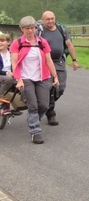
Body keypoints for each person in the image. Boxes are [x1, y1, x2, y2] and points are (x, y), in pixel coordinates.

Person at [9, 16, 59, 144]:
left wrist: (55, 76)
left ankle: (34, 120)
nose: (30, 31)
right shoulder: (17, 43)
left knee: (44, 105)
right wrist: (18, 79)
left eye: (32, 28)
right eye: (27, 28)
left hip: (42, 77)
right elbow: (14, 62)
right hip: (25, 78)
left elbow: (48, 60)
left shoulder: (42, 42)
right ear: (21, 29)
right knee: (33, 106)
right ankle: (35, 131)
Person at [36, 11, 79, 126]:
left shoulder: (61, 29)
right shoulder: (39, 31)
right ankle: (50, 113)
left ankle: (45, 104)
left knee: (60, 88)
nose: (50, 21)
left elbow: (69, 44)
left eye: (52, 18)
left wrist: (74, 60)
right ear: (43, 19)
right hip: (45, 63)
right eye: (47, 19)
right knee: (50, 87)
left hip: (59, 62)